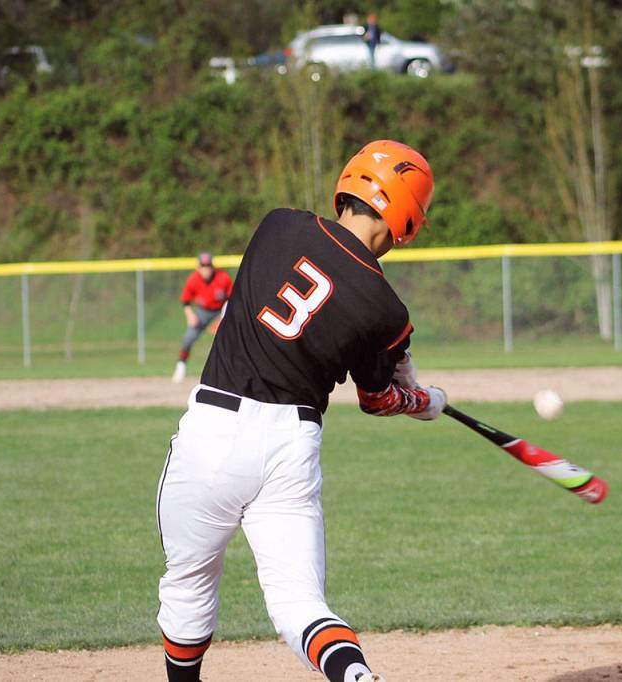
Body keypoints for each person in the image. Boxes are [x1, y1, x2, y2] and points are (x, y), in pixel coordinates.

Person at [155, 139, 444, 682]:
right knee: (301, 605)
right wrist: (420, 400)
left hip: (213, 431)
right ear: (406, 218)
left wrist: (404, 373)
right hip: (290, 449)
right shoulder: (388, 310)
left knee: (188, 584)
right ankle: (355, 676)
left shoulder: (277, 225)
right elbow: (377, 400)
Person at [172, 252, 234, 382]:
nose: (206, 269)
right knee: (188, 337)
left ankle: (229, 370)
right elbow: (185, 301)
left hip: (221, 310)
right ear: (198, 267)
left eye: (208, 266)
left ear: (212, 266)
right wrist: (190, 316)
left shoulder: (223, 277)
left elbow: (233, 299)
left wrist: (222, 318)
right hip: (203, 312)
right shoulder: (193, 279)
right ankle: (181, 366)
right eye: (203, 266)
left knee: (229, 339)